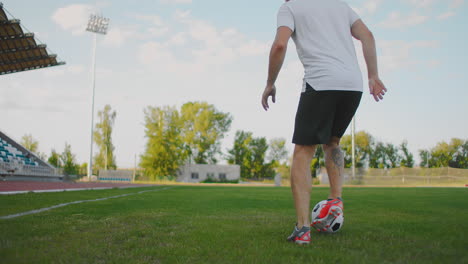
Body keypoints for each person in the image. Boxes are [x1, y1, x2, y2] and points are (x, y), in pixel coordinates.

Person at [261, 0, 387, 245]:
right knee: (333, 142)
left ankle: (302, 229)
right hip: (353, 85)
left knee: (303, 152)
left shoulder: (289, 8)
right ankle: (335, 200)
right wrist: (373, 74)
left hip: (321, 82)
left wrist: (270, 83)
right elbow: (367, 35)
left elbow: (279, 45)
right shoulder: (339, 5)